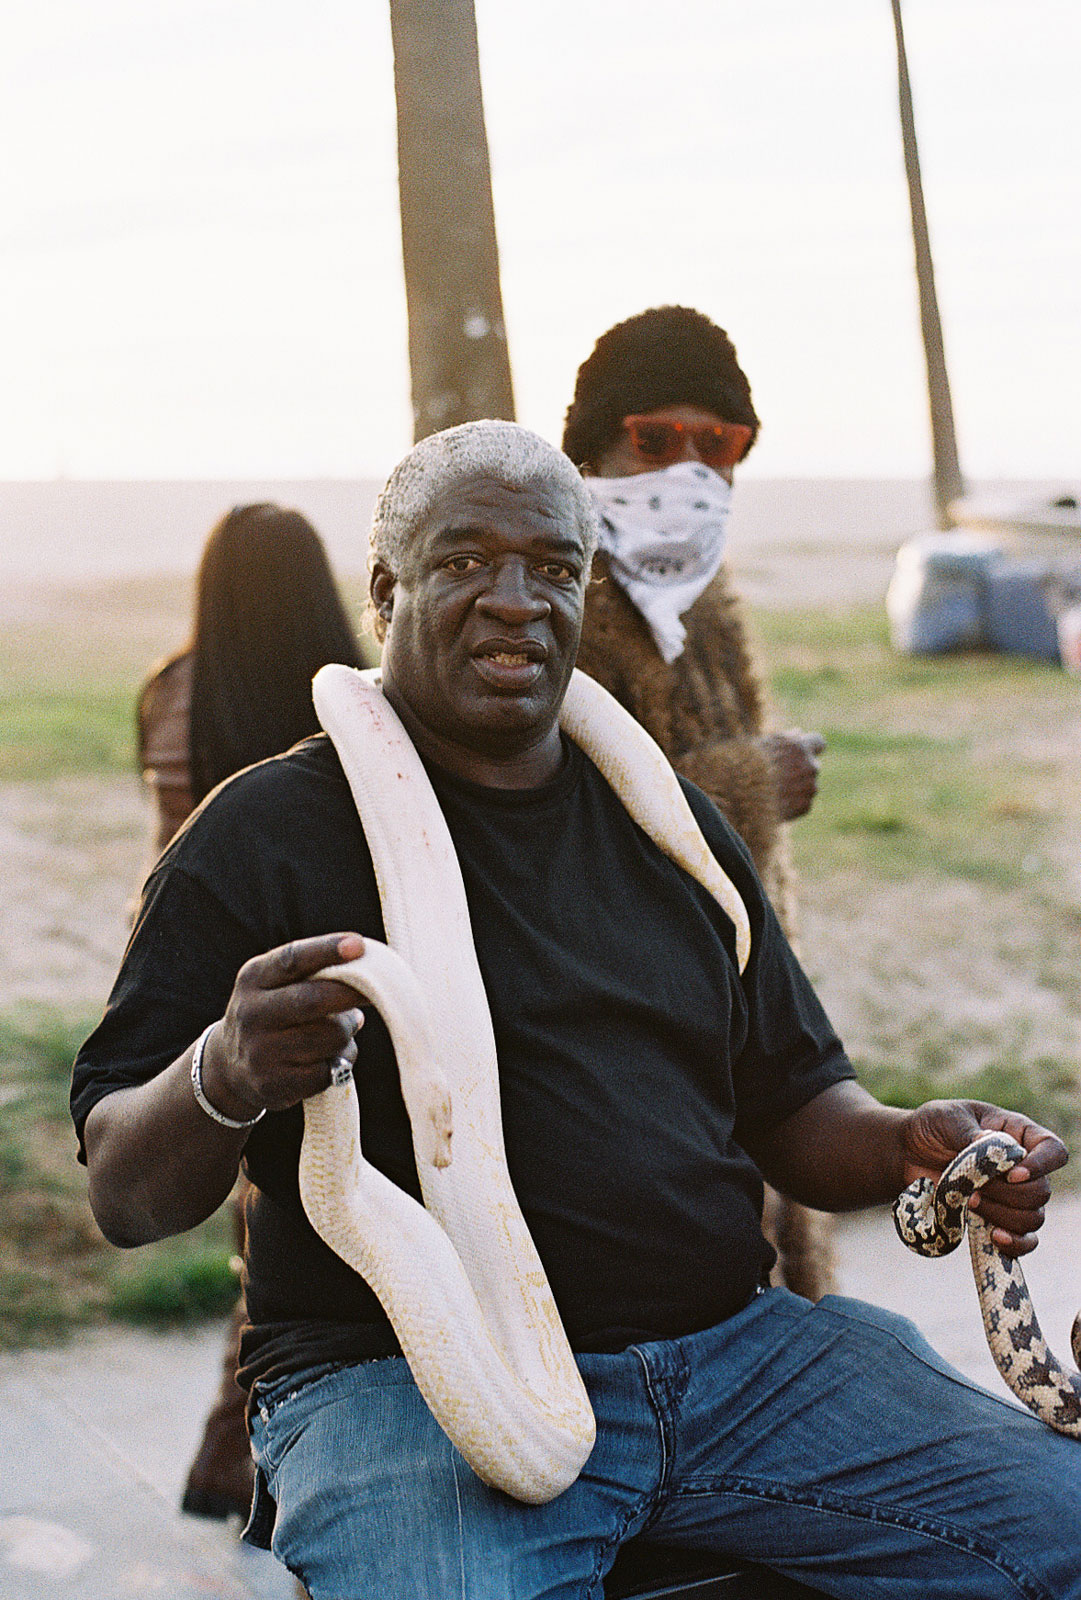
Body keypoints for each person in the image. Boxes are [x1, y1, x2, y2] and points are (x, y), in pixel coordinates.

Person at [72, 422, 1079, 1600]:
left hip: (735, 1361)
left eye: (553, 567)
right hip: (402, 1387)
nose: (516, 601)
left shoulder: (673, 826)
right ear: (386, 587)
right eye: (465, 563)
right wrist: (227, 1071)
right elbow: (123, 1192)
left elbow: (799, 1102)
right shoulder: (261, 836)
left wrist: (910, 1141)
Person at [564, 306, 830, 1298]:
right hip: (619, 1039)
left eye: (716, 444)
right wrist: (747, 782)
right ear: (591, 451)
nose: (686, 468)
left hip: (739, 1009)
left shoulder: (705, 602)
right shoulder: (555, 598)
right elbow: (546, 814)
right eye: (653, 440)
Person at [134, 501, 366, 1520]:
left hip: (191, 977)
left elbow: (165, 842)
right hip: (312, 981)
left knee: (260, 1217)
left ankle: (225, 1461)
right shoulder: (343, 701)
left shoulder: (168, 691)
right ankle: (245, 1460)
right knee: (296, 1227)